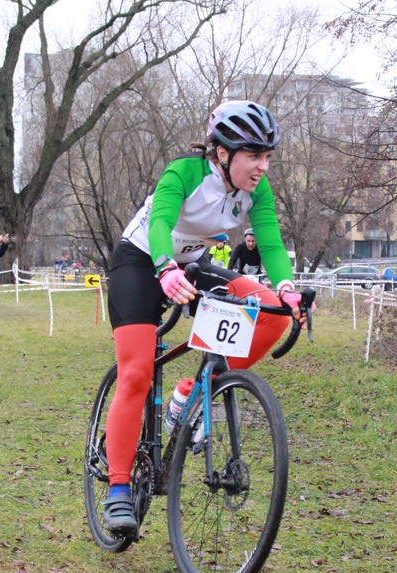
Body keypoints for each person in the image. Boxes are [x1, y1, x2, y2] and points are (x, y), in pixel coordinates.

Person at [100, 100, 310, 535]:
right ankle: (118, 487)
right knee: (136, 373)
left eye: (268, 156)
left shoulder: (256, 190)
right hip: (142, 260)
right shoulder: (184, 172)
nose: (263, 166)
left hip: (193, 264)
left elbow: (271, 244)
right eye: (255, 155)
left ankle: (193, 394)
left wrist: (287, 289)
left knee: (268, 311)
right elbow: (160, 222)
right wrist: (164, 268)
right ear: (223, 152)